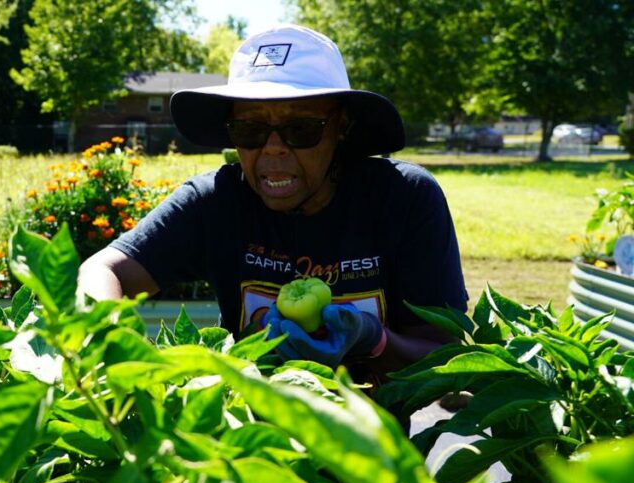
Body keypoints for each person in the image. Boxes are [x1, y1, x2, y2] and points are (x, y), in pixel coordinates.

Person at [78, 24, 467, 377]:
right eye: (250, 128)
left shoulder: (402, 198)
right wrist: (109, 342)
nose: (273, 149)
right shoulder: (217, 203)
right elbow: (104, 270)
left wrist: (375, 341)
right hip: (249, 444)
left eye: (301, 128)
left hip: (378, 449)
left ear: (342, 127)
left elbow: (446, 358)